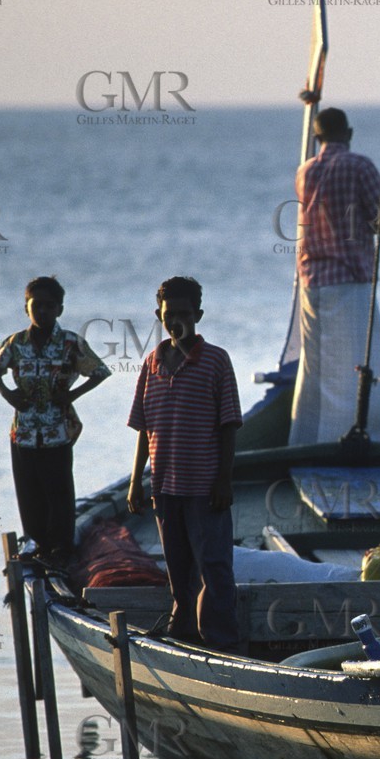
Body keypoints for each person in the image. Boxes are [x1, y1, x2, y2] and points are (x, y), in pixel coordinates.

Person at [126, 277, 245, 655]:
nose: (175, 320)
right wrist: (135, 483)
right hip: (165, 488)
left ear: (198, 316)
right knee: (178, 569)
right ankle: (186, 634)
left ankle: (222, 642)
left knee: (214, 568)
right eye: (168, 314)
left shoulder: (215, 361)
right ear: (158, 316)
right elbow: (144, 429)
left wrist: (223, 481)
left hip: (205, 486)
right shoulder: (151, 363)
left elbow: (229, 426)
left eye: (184, 314)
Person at [290, 105, 380, 445]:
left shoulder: (304, 172)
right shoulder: (359, 165)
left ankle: (308, 442)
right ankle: (376, 438)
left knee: (317, 369)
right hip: (348, 280)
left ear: (317, 137)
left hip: (312, 281)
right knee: (364, 363)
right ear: (348, 133)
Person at [0, 276, 110, 565]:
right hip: (24, 432)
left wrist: (71, 395)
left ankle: (60, 548)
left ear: (60, 309)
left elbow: (100, 372)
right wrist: (8, 395)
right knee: (29, 490)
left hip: (57, 429)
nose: (42, 311)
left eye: (49, 306)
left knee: (59, 490)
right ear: (26, 307)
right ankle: (36, 544)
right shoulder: (16, 343)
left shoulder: (69, 343)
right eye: (36, 305)